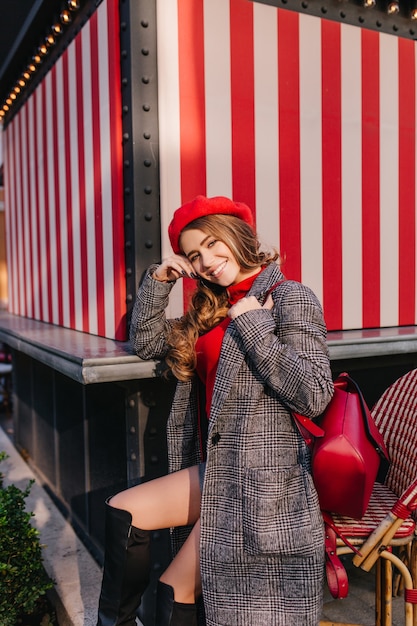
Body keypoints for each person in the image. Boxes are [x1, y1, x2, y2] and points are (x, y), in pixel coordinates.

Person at [96, 195, 334, 626]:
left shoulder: (289, 297)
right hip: (218, 469)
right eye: (193, 255)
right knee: (123, 511)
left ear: (236, 234)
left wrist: (255, 325)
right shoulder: (212, 306)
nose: (206, 260)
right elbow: (148, 343)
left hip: (263, 482)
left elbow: (314, 393)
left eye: (211, 243)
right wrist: (160, 280)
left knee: (175, 587)